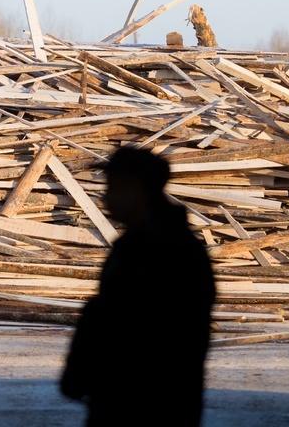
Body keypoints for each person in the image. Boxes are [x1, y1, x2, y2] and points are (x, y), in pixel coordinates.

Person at [60, 146, 216, 426]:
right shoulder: (139, 245)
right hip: (126, 398)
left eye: (112, 187)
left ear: (134, 188)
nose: (105, 197)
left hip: (148, 404)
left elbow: (140, 327)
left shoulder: (170, 252)